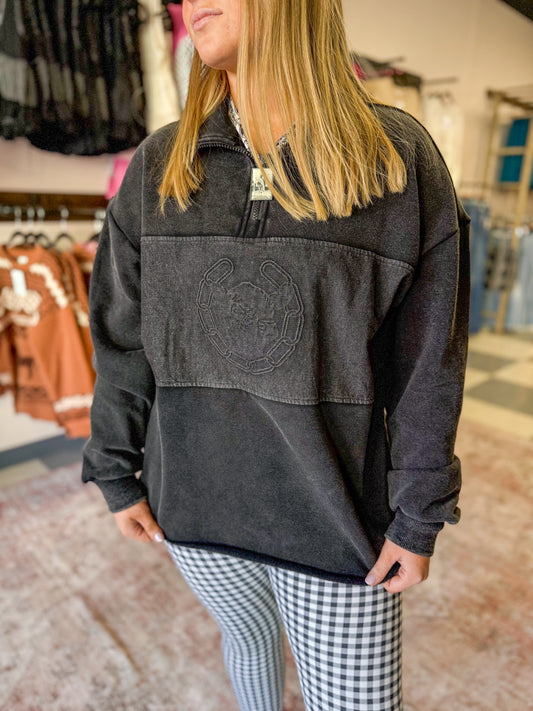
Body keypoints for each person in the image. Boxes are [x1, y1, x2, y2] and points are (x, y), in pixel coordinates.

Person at [81, 1, 471, 709]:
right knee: (248, 639)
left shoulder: (394, 158)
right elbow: (123, 338)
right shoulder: (161, 166)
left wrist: (420, 513)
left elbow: (428, 364)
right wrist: (115, 468)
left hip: (337, 522)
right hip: (192, 506)